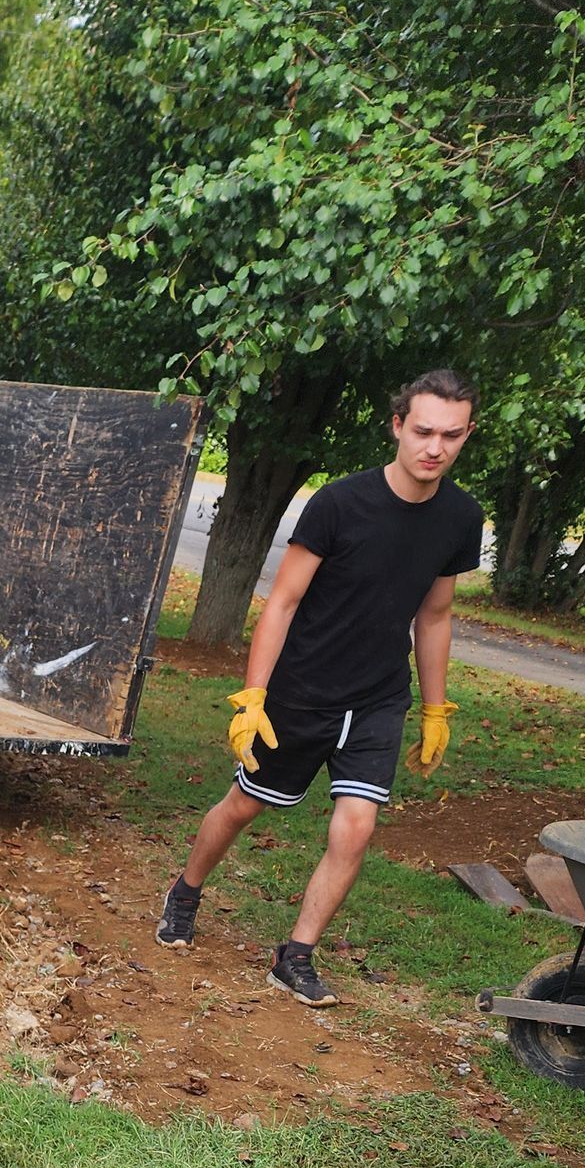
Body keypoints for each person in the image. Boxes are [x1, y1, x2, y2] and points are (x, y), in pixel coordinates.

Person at [156, 368, 485, 1005]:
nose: (434, 447)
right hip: (303, 690)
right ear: (397, 425)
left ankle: (295, 954)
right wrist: (254, 696)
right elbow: (281, 602)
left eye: (451, 435)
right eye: (422, 431)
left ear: (467, 434)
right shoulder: (338, 503)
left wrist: (435, 706)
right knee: (244, 806)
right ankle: (186, 889)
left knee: (356, 826)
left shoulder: (460, 517)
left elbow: (436, 614)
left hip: (379, 697)